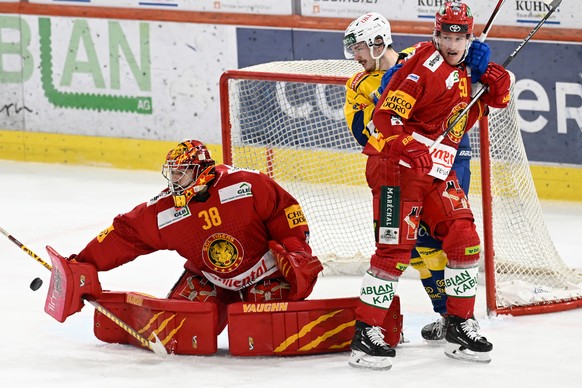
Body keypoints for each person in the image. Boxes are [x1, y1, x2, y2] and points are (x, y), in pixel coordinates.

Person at [346, 1, 510, 370]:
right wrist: (411, 147)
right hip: (394, 167)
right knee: (395, 252)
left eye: (460, 36)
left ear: (469, 37)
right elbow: (386, 119)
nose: (452, 44)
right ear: (435, 35)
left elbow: (486, 105)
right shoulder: (421, 67)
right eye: (445, 36)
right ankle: (365, 335)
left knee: (463, 238)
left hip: (436, 169)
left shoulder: (467, 67)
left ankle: (458, 324)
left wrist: (498, 82)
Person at [46, 139, 324, 336]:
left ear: (202, 170)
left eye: (182, 172)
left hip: (265, 272)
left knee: (268, 332)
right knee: (181, 331)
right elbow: (125, 235)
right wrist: (83, 263)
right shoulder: (164, 211)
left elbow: (283, 209)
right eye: (173, 173)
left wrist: (295, 247)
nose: (175, 180)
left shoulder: (246, 184)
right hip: (210, 277)